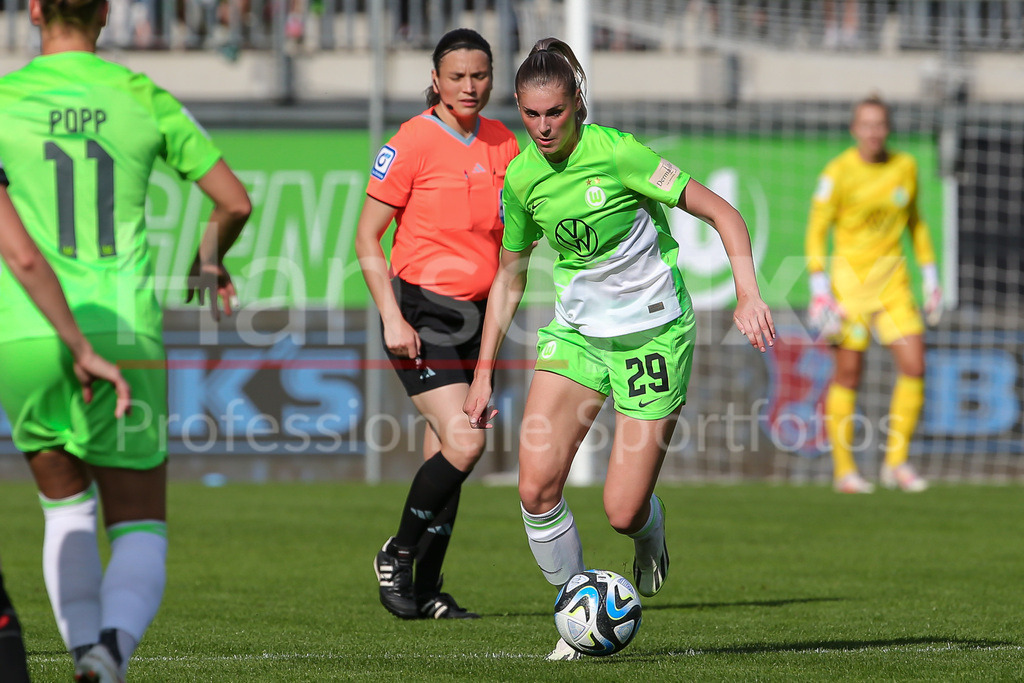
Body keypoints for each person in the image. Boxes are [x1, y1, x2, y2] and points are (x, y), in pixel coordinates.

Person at [463, 38, 775, 660]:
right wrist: (482, 372)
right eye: (530, 114)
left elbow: (724, 213)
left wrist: (747, 293)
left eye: (554, 112)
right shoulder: (522, 177)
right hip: (577, 338)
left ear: (576, 104)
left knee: (620, 509)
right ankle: (574, 624)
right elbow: (510, 275)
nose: (543, 127)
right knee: (535, 489)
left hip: (653, 336)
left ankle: (649, 530)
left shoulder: (619, 153)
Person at [0, 0, 252, 679]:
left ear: (32, 11)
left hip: (26, 329)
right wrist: (208, 258)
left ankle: (87, 654)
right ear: (107, 13)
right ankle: (109, 652)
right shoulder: (142, 96)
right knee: (139, 523)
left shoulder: (3, 99)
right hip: (124, 330)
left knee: (65, 509)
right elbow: (234, 200)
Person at [356, 27, 519, 621]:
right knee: (468, 441)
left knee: (450, 452)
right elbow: (366, 238)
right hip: (421, 315)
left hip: (479, 317)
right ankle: (396, 554)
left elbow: (510, 251)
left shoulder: (506, 144)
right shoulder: (412, 142)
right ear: (435, 80)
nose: (470, 86)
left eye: (480, 75)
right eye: (457, 76)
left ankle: (426, 590)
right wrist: (392, 316)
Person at [0, 187, 133, 683]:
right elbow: (24, 256)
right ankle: (96, 655)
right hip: (41, 336)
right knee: (131, 519)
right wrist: (78, 345)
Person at [805, 95, 940, 494]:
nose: (873, 132)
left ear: (888, 128)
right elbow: (816, 229)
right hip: (850, 290)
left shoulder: (905, 167)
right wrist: (818, 288)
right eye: (865, 124)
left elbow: (916, 222)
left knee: (915, 364)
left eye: (879, 124)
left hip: (894, 286)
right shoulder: (838, 173)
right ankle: (845, 471)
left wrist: (930, 276)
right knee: (848, 373)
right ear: (854, 129)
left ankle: (895, 463)